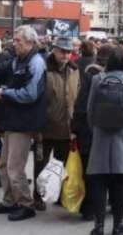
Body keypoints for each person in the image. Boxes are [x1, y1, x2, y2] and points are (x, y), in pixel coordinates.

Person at [0, 25, 47, 222]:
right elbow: (1, 68)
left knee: (14, 167)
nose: (15, 43)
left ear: (30, 42)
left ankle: (25, 204)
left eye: (18, 41)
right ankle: (9, 200)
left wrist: (4, 93)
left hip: (24, 121)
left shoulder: (36, 63)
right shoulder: (19, 59)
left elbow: (31, 94)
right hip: (12, 119)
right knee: (4, 165)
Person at [87, 48, 123, 235]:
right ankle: (117, 225)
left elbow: (90, 110)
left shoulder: (98, 79)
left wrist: (95, 129)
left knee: (99, 181)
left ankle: (99, 226)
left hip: (101, 134)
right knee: (120, 181)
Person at [35, 36, 79, 198]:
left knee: (61, 164)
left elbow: (76, 97)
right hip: (46, 127)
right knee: (41, 163)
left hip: (66, 128)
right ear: (54, 51)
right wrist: (37, 128)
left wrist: (75, 126)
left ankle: (57, 194)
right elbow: (38, 100)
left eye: (69, 52)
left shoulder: (74, 70)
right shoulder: (44, 70)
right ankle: (38, 195)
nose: (66, 55)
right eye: (62, 51)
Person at [72, 45, 113, 221]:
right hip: (109, 130)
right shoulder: (119, 77)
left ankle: (88, 208)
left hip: (88, 129)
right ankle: (103, 204)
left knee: (88, 169)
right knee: (107, 169)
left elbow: (81, 104)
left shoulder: (89, 75)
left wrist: (74, 128)